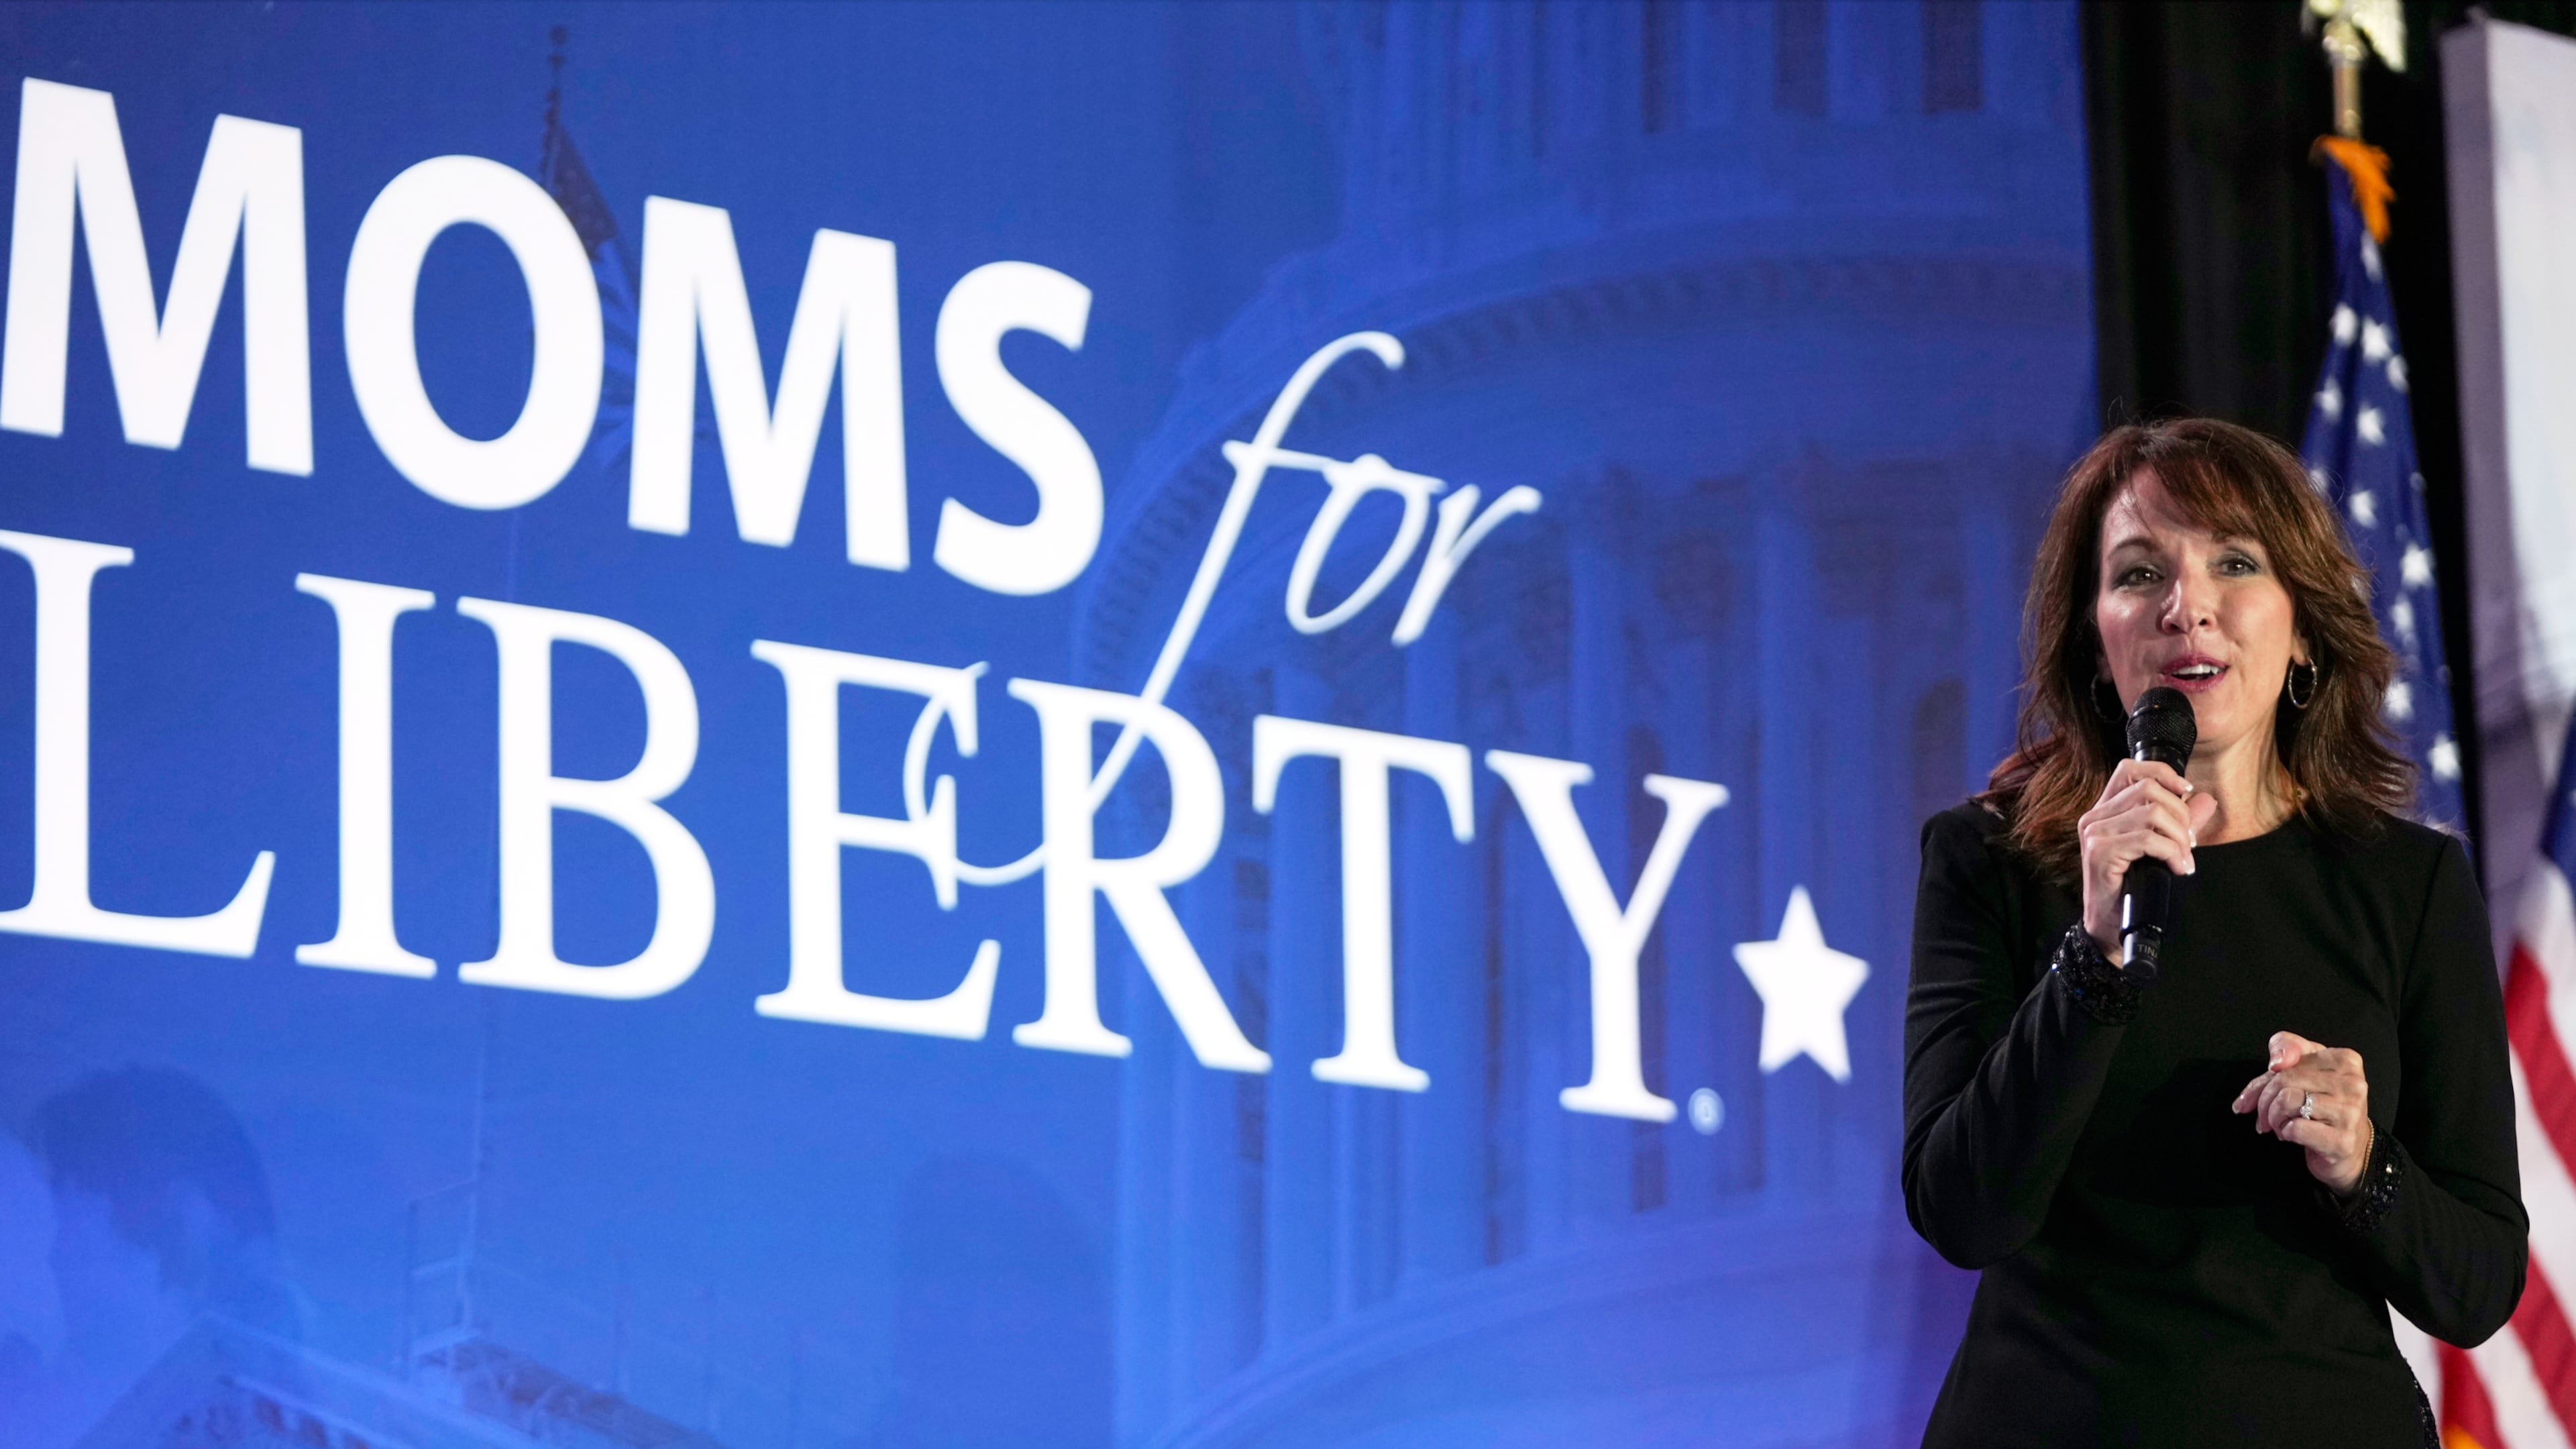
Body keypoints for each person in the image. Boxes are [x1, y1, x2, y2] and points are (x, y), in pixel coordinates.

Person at [1904, 418, 2526, 1447]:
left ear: (2305, 632)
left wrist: (2362, 1159)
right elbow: (1966, 1212)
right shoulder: (1988, 862)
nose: (2187, 607)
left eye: (2234, 562)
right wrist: (2093, 963)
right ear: (2098, 646)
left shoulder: (2408, 883)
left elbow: (2478, 1285)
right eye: (2140, 573)